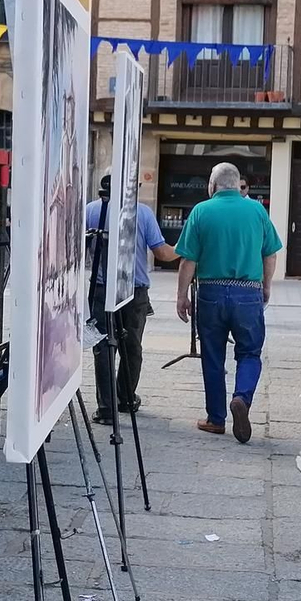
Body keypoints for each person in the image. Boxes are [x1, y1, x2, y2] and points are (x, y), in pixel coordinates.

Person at [174, 162, 280, 443]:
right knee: (250, 353)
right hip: (248, 293)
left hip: (211, 292)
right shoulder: (257, 210)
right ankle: (242, 397)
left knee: (212, 356)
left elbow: (188, 260)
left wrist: (181, 295)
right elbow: (270, 253)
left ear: (213, 185)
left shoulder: (201, 211)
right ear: (237, 184)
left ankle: (216, 419)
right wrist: (266, 286)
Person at [86, 173, 179, 425]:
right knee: (132, 346)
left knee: (103, 346)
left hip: (101, 287)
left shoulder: (91, 211)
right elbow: (161, 252)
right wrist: (187, 247)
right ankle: (126, 398)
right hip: (134, 290)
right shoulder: (143, 213)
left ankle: (106, 408)